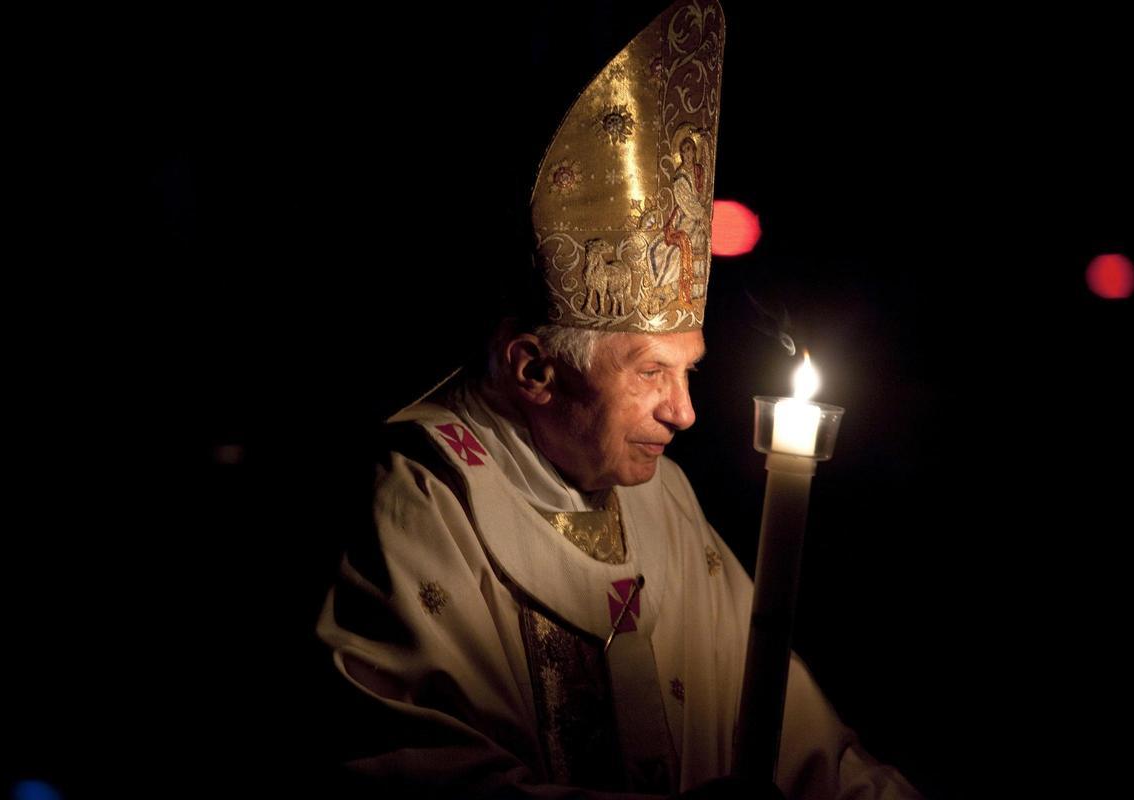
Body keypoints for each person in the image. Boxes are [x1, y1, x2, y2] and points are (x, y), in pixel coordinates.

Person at [316, 2, 922, 796]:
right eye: (649, 373)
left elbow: (801, 745)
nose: (685, 413)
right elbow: (406, 767)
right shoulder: (422, 495)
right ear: (534, 371)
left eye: (690, 371)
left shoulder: (660, 494)